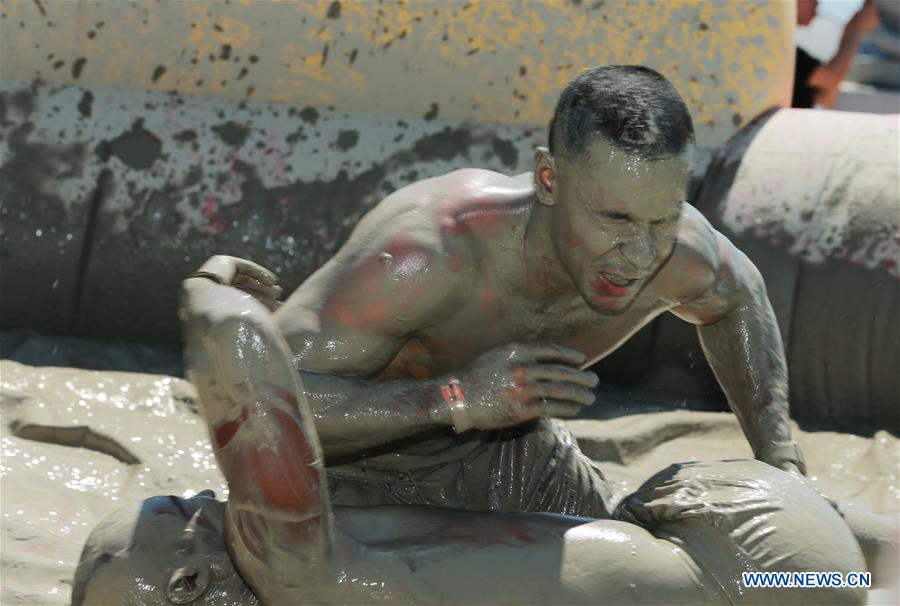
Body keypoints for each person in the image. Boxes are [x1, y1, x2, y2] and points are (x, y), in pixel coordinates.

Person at [200, 65, 804, 521]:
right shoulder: (425, 254)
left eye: (663, 219)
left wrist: (782, 464)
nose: (643, 254)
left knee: (704, 571)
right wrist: (451, 398)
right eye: (615, 220)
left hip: (518, 456)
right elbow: (258, 409)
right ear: (548, 179)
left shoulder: (680, 252)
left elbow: (738, 297)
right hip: (349, 473)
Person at [72, 278, 869, 604]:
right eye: (188, 512)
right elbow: (245, 366)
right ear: (184, 582)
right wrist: (210, 302)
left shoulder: (351, 563)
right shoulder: (316, 576)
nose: (211, 498)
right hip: (774, 573)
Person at [793, 0, 880, 108]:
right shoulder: (784, 54)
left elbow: (826, 97)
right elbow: (831, 78)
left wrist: (851, 31)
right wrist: (857, 28)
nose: (817, 3)